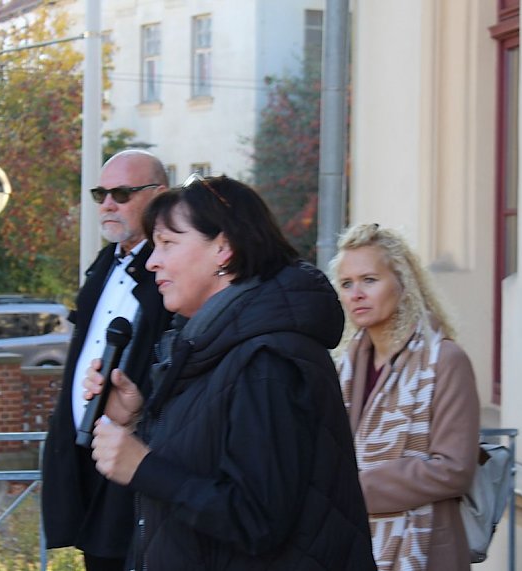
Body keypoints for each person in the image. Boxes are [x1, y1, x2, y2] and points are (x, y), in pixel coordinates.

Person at [83, 175, 376, 570]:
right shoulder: (214, 346)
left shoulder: (268, 361)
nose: (152, 261)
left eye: (167, 243)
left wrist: (143, 467)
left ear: (223, 248)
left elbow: (256, 518)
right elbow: (202, 465)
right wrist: (138, 421)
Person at [41, 149, 173, 571]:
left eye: (122, 193)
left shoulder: (172, 272)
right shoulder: (104, 264)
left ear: (159, 195)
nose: (108, 205)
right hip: (85, 454)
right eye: (101, 194)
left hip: (138, 459)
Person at [330, 223, 480, 571]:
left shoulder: (444, 360)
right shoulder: (344, 367)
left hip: (424, 547)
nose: (356, 294)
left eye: (369, 280)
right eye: (347, 284)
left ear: (403, 283)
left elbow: (454, 469)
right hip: (353, 544)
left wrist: (352, 489)